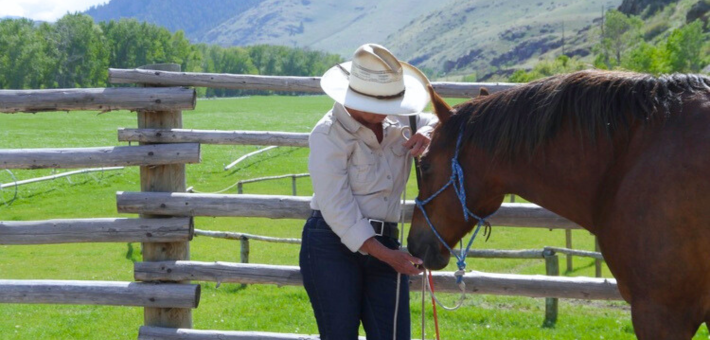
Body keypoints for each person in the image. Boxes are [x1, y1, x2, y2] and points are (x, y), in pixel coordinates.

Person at [299, 43, 438, 340]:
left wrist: (431, 131)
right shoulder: (327, 134)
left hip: (385, 241)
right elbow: (338, 208)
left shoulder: (404, 120)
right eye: (379, 105)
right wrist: (386, 255)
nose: (384, 113)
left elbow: (445, 120)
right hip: (330, 244)